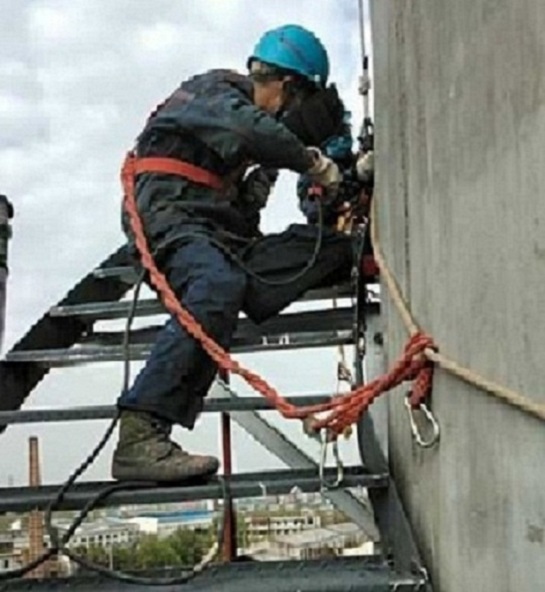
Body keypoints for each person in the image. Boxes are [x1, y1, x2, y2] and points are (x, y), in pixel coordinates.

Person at [112, 24, 353, 483]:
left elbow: (248, 208)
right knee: (215, 285)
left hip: (216, 233)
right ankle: (140, 434)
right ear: (285, 84)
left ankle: (353, 252)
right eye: (295, 103)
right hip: (168, 217)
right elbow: (254, 131)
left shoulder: (248, 142)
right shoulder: (216, 90)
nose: (289, 116)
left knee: (326, 249)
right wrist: (312, 162)